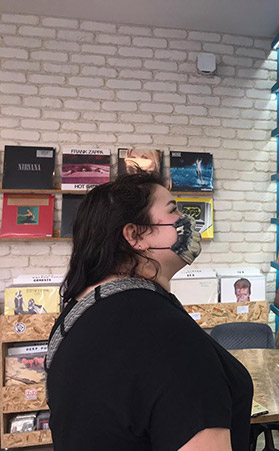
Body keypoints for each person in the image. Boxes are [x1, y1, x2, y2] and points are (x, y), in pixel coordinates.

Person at [45, 173, 253, 450]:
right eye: (173, 210)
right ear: (135, 235)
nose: (186, 219)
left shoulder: (77, 313)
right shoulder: (165, 335)